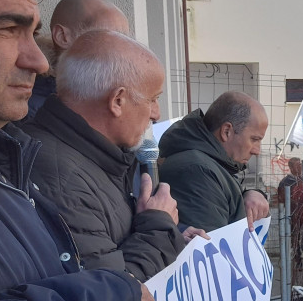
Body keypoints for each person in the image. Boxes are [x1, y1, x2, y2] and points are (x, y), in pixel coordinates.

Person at [0, 0, 154, 301]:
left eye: (33, 32)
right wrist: (114, 287)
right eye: (8, 28)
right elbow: (98, 280)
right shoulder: (43, 162)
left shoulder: (12, 163)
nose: (39, 61)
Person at [25, 30, 186, 282]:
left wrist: (178, 235)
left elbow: (114, 234)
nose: (156, 113)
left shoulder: (100, 156)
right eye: (153, 99)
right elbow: (113, 291)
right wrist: (159, 227)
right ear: (118, 101)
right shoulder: (62, 181)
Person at [159, 91, 270, 231]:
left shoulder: (212, 164)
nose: (257, 151)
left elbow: (225, 201)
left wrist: (251, 194)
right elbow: (215, 246)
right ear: (226, 131)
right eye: (254, 139)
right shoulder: (198, 170)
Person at [26, 0, 130, 119]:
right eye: (107, 37)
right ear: (62, 36)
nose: (123, 51)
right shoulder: (33, 111)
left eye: (125, 41)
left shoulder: (113, 96)